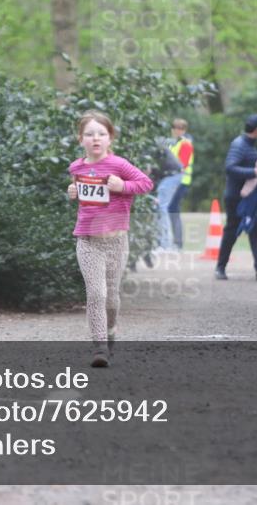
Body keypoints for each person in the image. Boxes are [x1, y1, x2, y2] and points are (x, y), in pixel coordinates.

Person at [67, 111, 153, 367]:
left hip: (116, 242)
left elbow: (146, 183)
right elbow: (83, 196)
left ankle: (112, 329)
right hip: (88, 241)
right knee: (96, 293)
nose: (96, 138)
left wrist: (122, 187)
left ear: (110, 138)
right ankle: (99, 347)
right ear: (80, 138)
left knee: (111, 297)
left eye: (101, 134)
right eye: (90, 134)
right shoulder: (77, 167)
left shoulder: (119, 165)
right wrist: (72, 191)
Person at [215, 115, 257, 281]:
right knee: (232, 231)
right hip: (235, 197)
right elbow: (230, 168)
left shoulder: (249, 146)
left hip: (249, 197)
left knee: (255, 229)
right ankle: (220, 267)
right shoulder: (239, 145)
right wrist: (253, 172)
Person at [153, 134, 184, 251]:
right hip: (173, 175)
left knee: (161, 207)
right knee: (161, 207)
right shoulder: (155, 144)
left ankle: (164, 244)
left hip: (172, 175)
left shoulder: (152, 148)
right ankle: (164, 242)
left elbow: (151, 171)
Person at [167, 118, 194, 251]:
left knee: (173, 210)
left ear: (184, 130)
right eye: (175, 128)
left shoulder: (186, 144)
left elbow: (181, 165)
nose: (176, 131)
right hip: (173, 181)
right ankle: (175, 242)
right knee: (171, 210)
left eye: (180, 128)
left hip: (181, 181)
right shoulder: (172, 143)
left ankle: (177, 243)